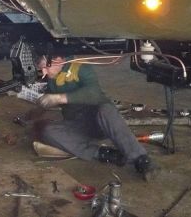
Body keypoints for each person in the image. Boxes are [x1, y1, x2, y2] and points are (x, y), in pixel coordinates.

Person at [35, 50, 159, 181]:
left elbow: (93, 93)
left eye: (45, 68)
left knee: (106, 110)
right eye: (41, 69)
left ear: (58, 60)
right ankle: (104, 154)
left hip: (99, 122)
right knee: (47, 131)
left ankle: (141, 159)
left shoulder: (80, 67)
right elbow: (49, 99)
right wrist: (41, 106)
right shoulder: (52, 78)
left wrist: (60, 98)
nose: (44, 72)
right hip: (76, 124)